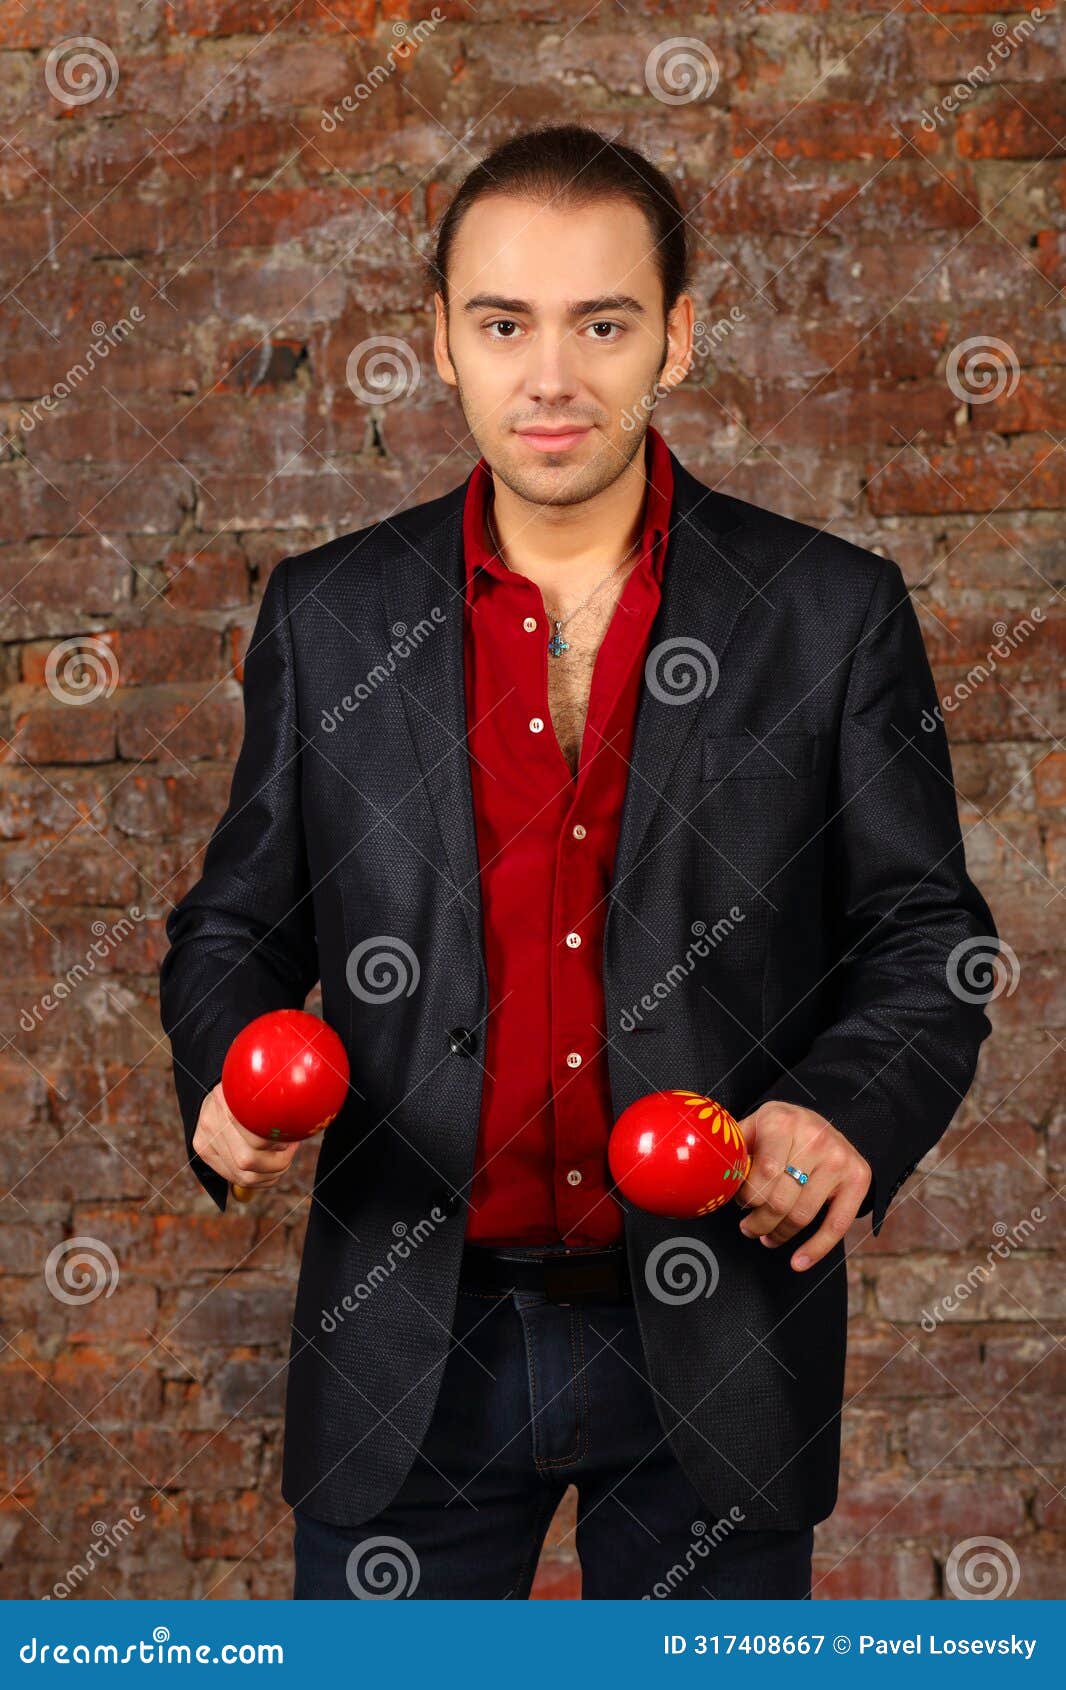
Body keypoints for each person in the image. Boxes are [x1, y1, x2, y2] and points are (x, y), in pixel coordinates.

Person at [159, 124, 1000, 1600]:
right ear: (439, 342)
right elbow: (235, 921)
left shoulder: (828, 611)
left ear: (675, 335)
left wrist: (842, 1110)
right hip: (407, 1339)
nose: (550, 376)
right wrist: (227, 1066)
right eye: (503, 323)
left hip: (716, 1334)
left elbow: (928, 937)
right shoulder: (331, 616)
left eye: (600, 322)